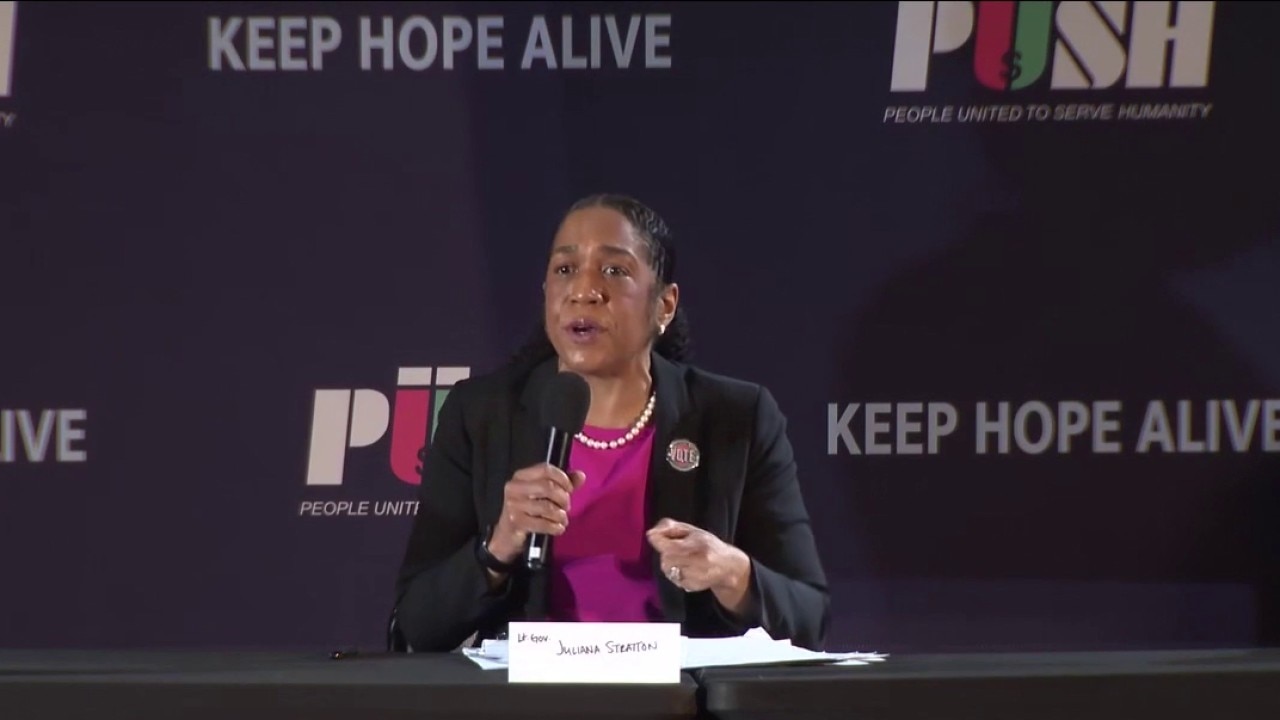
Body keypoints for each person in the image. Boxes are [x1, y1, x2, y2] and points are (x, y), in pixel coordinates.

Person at [393, 193, 829, 652]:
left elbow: (808, 618)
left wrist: (732, 573)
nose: (584, 290)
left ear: (664, 305)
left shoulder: (736, 417)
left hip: (679, 689)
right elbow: (416, 626)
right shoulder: (480, 414)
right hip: (532, 690)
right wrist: (498, 546)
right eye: (565, 269)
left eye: (614, 270)